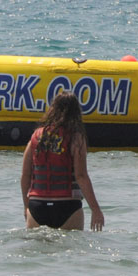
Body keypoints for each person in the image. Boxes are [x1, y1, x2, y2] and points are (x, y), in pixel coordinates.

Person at [20, 91, 104, 231]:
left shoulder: (35, 137)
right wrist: (96, 210)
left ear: (52, 109)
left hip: (37, 207)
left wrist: (26, 205)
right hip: (67, 207)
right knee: (70, 251)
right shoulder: (76, 138)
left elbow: (25, 176)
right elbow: (81, 176)